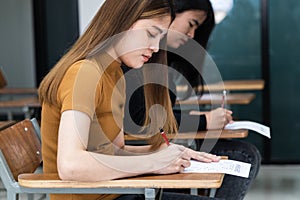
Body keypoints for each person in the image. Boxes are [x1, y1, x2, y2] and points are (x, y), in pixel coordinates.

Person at [38, 0, 223, 200]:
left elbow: (115, 152)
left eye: (160, 38)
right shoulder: (85, 73)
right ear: (122, 21)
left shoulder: (114, 73)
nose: (154, 47)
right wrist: (154, 162)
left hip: (116, 192)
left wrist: (161, 152)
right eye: (151, 34)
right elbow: (71, 166)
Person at [122, 0, 261, 200]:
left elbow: (154, 114)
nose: (192, 35)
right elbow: (140, 119)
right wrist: (203, 120)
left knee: (246, 155)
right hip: (144, 147)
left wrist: (195, 117)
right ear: (170, 14)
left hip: (153, 144)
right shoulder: (135, 58)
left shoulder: (159, 59)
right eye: (191, 23)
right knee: (243, 156)